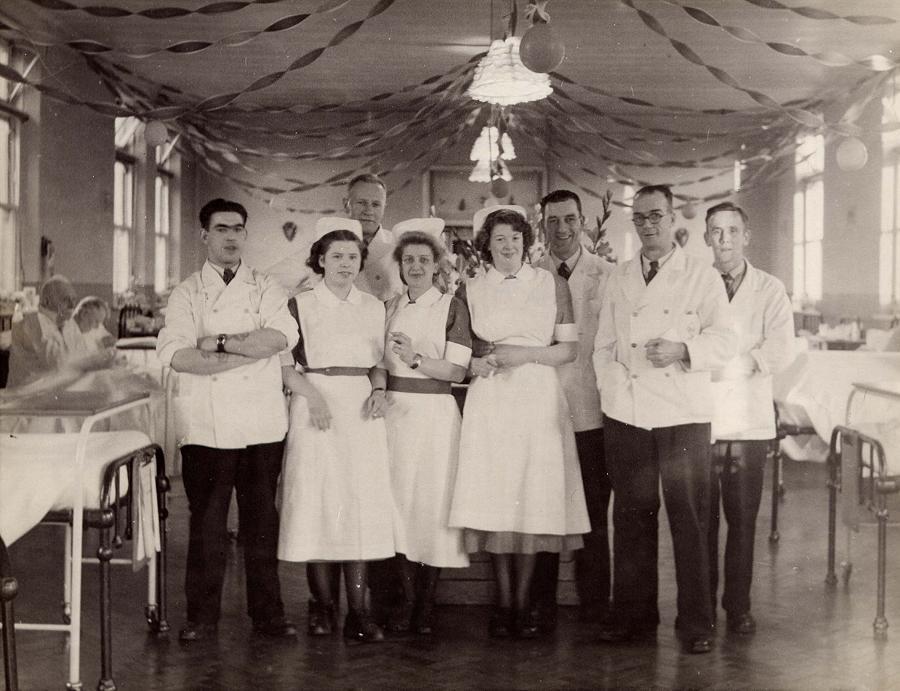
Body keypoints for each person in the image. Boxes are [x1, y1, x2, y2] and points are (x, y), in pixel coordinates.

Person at [593, 184, 736, 655]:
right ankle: (633, 616)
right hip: (628, 410)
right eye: (640, 218)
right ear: (632, 224)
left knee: (690, 517)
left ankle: (696, 623)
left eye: (656, 216)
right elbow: (604, 346)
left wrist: (683, 350)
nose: (648, 225)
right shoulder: (620, 276)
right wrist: (615, 388)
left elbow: (726, 342)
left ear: (673, 218)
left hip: (684, 412)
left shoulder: (701, 274)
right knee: (632, 517)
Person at [157, 198, 298, 642]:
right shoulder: (186, 293)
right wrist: (247, 352)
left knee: (261, 523)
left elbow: (281, 336)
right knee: (207, 526)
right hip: (207, 426)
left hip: (261, 424)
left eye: (238, 228)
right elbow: (179, 356)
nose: (232, 237)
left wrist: (214, 343)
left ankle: (269, 615)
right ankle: (200, 617)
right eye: (222, 229)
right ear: (205, 235)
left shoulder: (265, 286)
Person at [449, 207, 590, 639]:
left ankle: (525, 604)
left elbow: (567, 351)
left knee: (532, 497)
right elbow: (459, 353)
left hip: (536, 397)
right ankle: (504, 605)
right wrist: (480, 361)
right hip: (491, 398)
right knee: (496, 495)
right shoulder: (469, 288)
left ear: (526, 242)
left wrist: (524, 355)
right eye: (498, 239)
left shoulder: (551, 283)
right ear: (485, 245)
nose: (507, 246)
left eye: (514, 238)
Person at [277, 220, 393, 644]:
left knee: (358, 509)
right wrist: (313, 396)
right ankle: (322, 608)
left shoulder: (374, 306)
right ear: (320, 261)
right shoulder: (300, 304)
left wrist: (379, 389)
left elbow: (378, 362)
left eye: (352, 257)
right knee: (319, 507)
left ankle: (359, 613)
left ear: (362, 262)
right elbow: (284, 365)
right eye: (337, 257)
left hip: (361, 413)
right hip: (315, 409)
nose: (345, 264)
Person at [704, 201, 794, 635]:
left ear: (746, 236)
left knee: (741, 520)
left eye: (731, 231)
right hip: (700, 419)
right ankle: (701, 607)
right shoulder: (694, 284)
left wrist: (727, 367)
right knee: (701, 521)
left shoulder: (770, 289)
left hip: (748, 422)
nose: (724, 240)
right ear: (706, 237)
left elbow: (779, 349)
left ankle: (737, 606)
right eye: (716, 232)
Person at [381, 224, 472, 636]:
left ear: (437, 266)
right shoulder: (389, 306)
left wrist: (415, 359)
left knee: (432, 507)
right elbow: (377, 362)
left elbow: (455, 369)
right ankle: (403, 598)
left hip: (435, 413)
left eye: (424, 260)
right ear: (399, 266)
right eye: (408, 260)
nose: (415, 267)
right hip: (394, 415)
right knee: (397, 505)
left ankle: (426, 605)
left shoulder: (451, 306)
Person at [530, 189, 612, 631]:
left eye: (569, 220)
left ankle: (596, 604)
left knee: (594, 513)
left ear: (583, 222)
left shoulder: (608, 274)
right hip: (544, 412)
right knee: (545, 509)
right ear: (542, 225)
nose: (561, 229)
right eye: (553, 221)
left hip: (592, 411)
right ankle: (541, 605)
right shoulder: (531, 275)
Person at [8, 275, 78, 386]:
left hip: (54, 391)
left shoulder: (68, 323)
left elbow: (82, 354)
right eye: (65, 299)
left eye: (74, 299)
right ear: (47, 301)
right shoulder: (31, 322)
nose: (72, 304)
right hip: (27, 396)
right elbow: (57, 364)